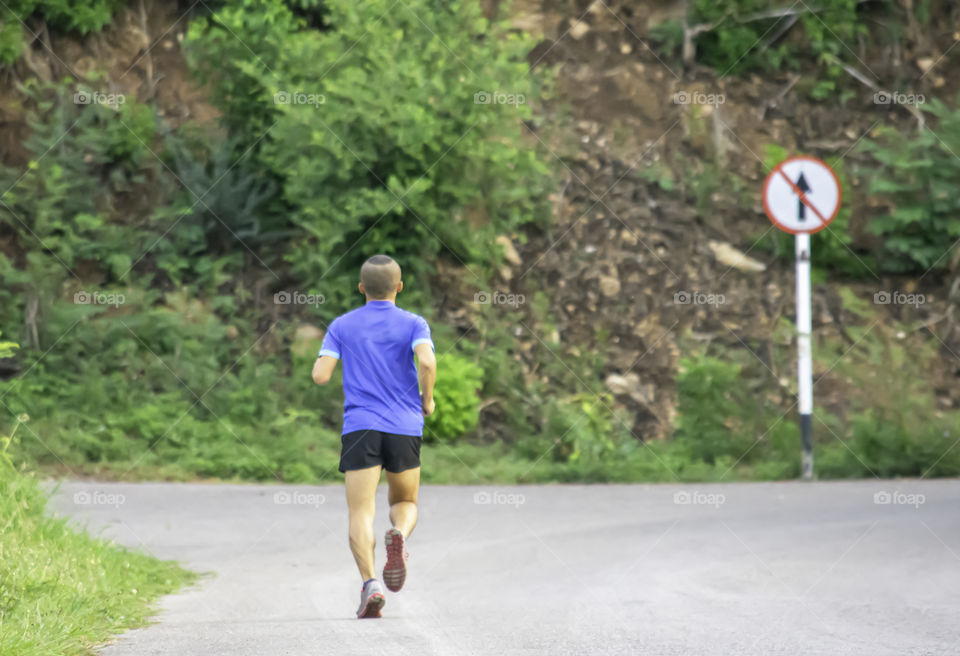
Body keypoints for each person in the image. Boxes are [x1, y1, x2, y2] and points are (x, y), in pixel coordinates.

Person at [312, 254, 436, 619]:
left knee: (360, 511)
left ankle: (371, 585)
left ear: (361, 287)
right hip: (404, 425)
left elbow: (321, 376)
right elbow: (427, 362)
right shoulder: (415, 323)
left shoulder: (341, 325)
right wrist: (426, 400)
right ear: (399, 286)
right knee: (405, 501)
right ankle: (398, 532)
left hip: (360, 426)